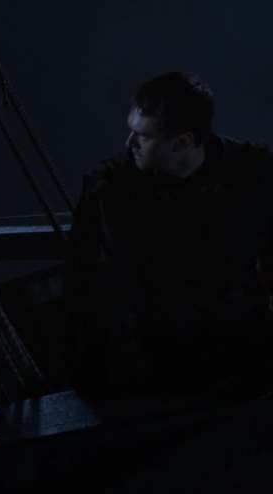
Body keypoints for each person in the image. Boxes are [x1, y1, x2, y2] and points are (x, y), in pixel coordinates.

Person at [66, 72, 273, 397]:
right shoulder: (114, 191)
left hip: (243, 355)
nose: (129, 143)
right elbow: (100, 290)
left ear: (182, 142)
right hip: (158, 365)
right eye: (131, 130)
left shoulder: (253, 174)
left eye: (143, 136)